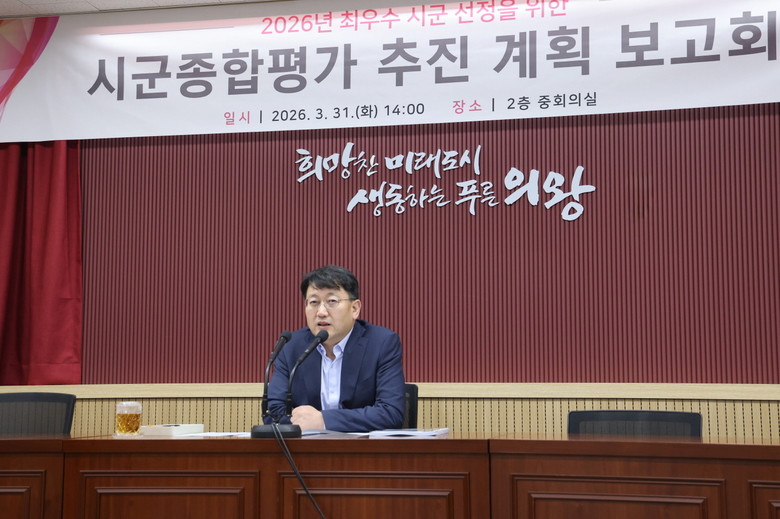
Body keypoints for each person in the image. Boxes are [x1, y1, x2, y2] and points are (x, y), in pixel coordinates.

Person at [265, 265, 406, 432]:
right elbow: (273, 414)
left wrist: (324, 421)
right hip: (305, 447)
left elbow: (391, 413)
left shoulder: (381, 343)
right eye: (314, 302)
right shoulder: (290, 347)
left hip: (363, 447)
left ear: (355, 309)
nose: (321, 312)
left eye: (332, 301)